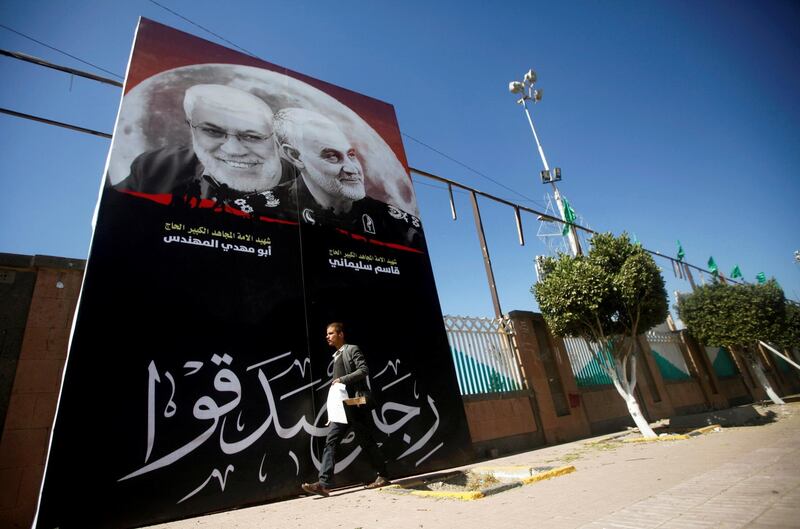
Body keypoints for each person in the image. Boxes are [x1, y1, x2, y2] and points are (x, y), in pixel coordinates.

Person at [114, 84, 296, 216]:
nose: (233, 150)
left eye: (252, 136)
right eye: (212, 131)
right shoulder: (156, 168)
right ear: (191, 127)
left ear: (277, 139)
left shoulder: (311, 189)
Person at [272, 108, 423, 248]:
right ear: (295, 156)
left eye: (351, 155)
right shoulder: (260, 211)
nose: (352, 169)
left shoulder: (402, 227)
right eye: (332, 157)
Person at [301, 322, 390, 497]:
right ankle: (324, 484)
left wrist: (343, 379)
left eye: (331, 333)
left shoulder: (351, 350)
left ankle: (383, 475)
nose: (327, 336)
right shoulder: (336, 355)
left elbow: (363, 370)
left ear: (341, 334)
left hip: (355, 404)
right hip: (342, 408)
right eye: (327, 334)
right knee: (331, 442)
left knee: (367, 441)